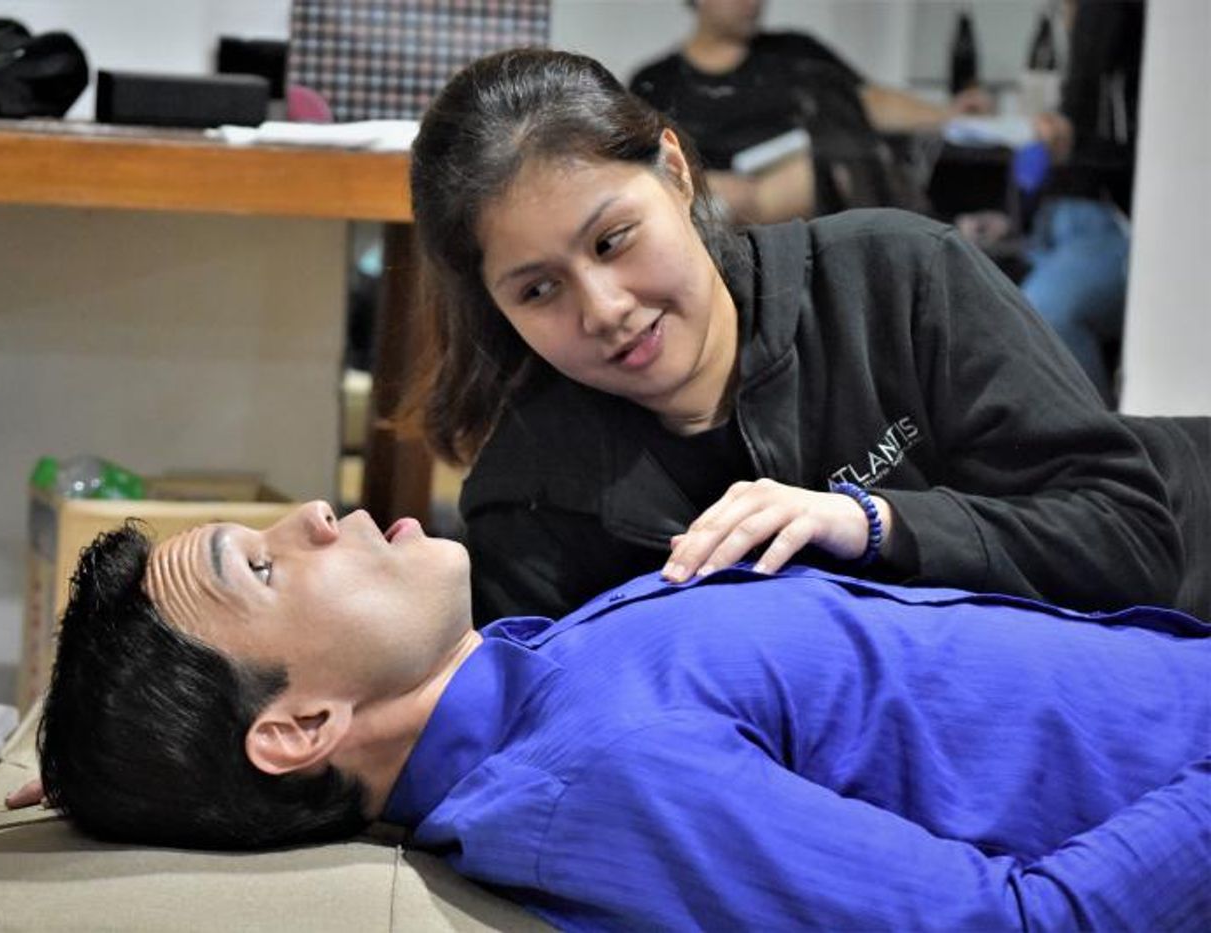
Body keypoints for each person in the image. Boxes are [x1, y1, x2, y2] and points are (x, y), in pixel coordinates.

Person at [35, 503, 1211, 930]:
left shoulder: (527, 679)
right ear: (298, 729)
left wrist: (121, 770)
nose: (313, 513)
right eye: (264, 568)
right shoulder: (593, 779)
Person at [408, 48, 1210, 626]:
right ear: (496, 303)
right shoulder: (529, 504)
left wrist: (873, 523)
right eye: (539, 289)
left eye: (614, 240)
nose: (605, 308)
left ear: (676, 173)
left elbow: (1131, 540)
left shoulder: (897, 275)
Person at [628, 0, 991, 224]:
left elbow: (869, 102)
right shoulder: (658, 82)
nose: (753, 3)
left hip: (827, 185)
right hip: (725, 201)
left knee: (842, 149)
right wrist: (709, 187)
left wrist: (949, 114)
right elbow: (642, 166)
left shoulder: (796, 52)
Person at [1019, 0, 1145, 405]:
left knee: (1043, 309)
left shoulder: (1112, 18)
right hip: (1054, 223)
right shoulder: (1068, 26)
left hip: (1110, 222)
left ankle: (1104, 453)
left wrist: (1071, 144)